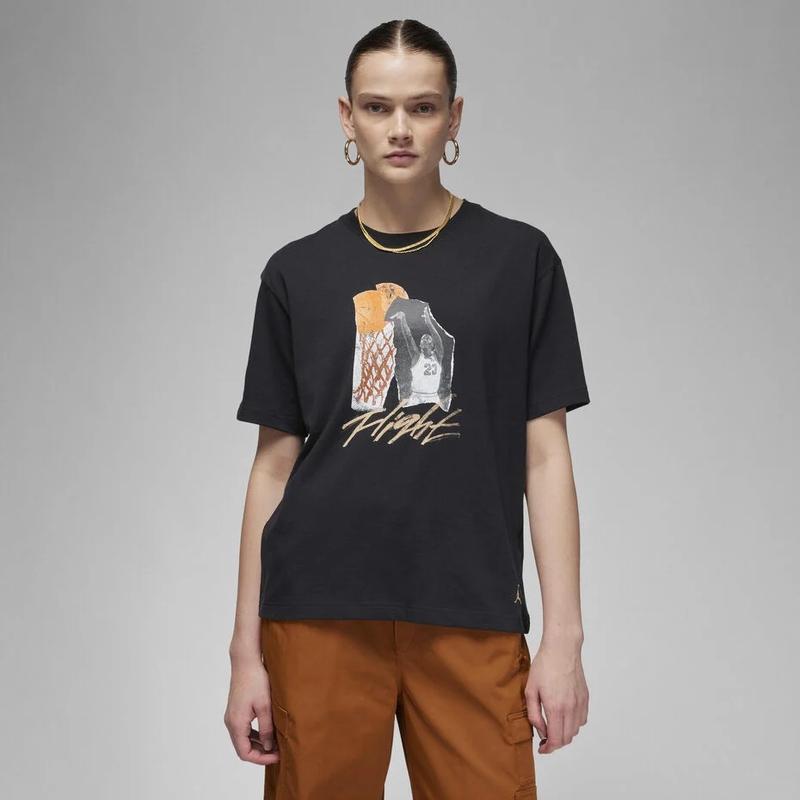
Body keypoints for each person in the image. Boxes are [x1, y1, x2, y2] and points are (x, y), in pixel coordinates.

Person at [225, 18, 591, 800]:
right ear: (346, 117)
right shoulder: (296, 273)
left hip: (470, 608)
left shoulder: (520, 260)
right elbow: (272, 469)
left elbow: (545, 454)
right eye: (377, 107)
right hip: (316, 612)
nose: (399, 129)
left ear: (454, 118)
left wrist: (565, 640)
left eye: (422, 107)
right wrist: (244, 655)